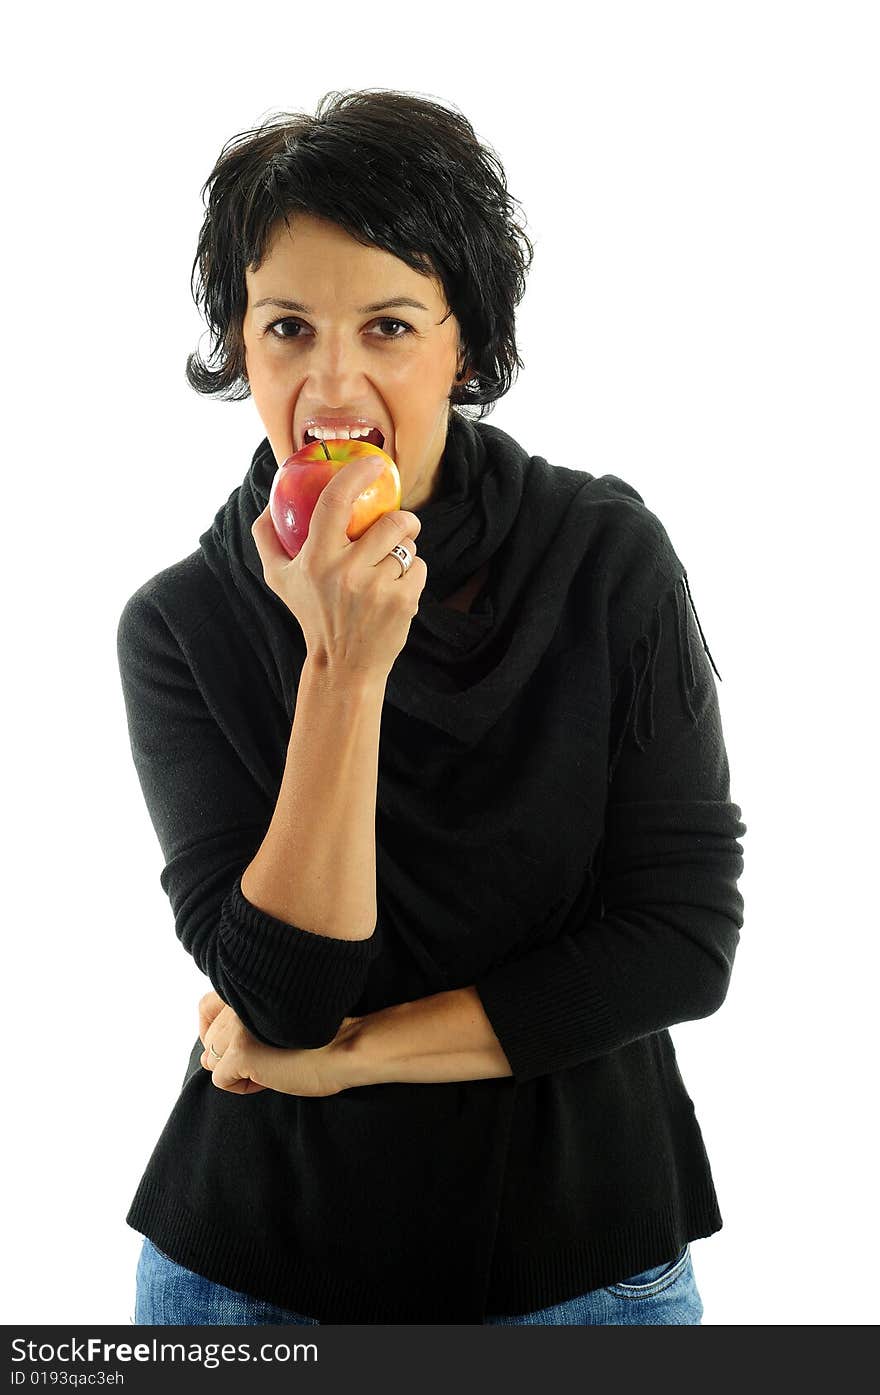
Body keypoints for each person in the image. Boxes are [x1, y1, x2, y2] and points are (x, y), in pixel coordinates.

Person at [117, 88, 746, 1327]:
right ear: (240, 345)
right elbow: (285, 990)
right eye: (287, 326)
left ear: (467, 348)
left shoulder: (607, 561)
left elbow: (679, 943)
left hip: (587, 1269)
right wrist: (342, 667)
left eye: (389, 326)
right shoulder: (181, 625)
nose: (331, 380)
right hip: (253, 1283)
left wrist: (343, 1059)